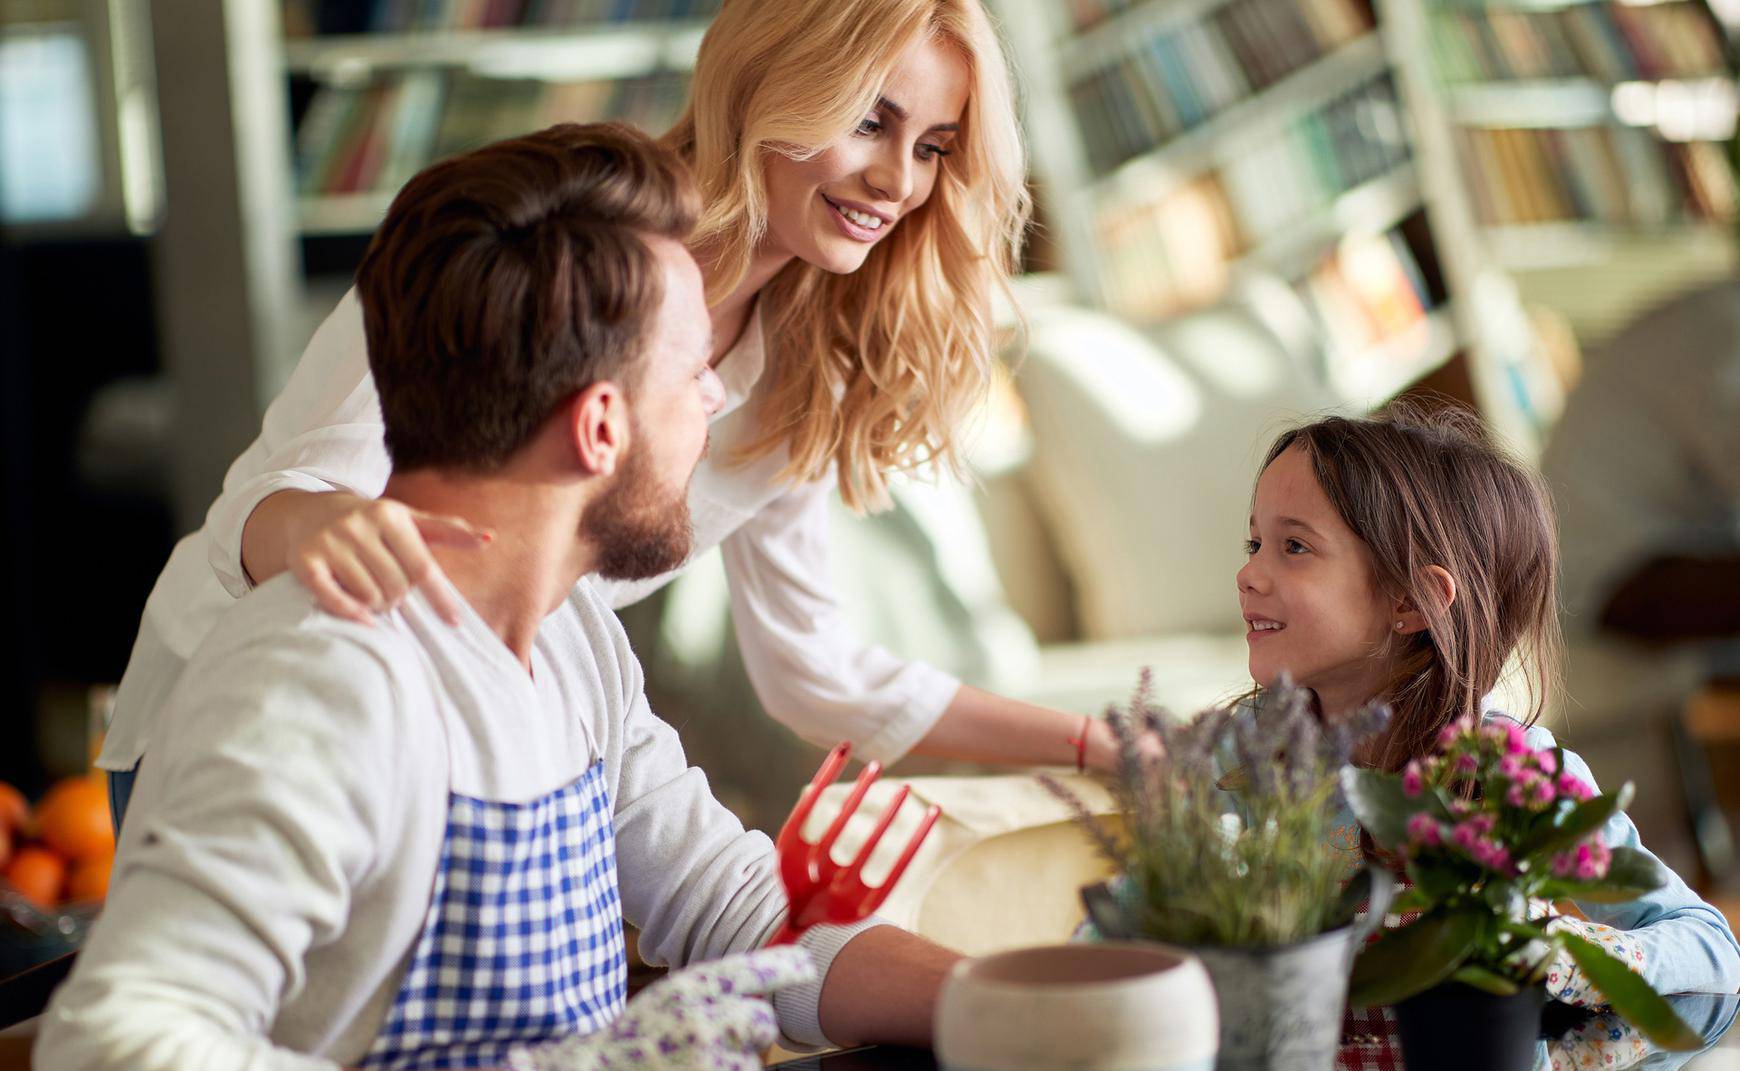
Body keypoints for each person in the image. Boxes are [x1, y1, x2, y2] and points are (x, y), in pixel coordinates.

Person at [37, 123, 959, 1071]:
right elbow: (108, 1041)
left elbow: (750, 918)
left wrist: (1006, 1002)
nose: (715, 403)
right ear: (600, 427)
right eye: (693, 374)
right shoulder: (325, 678)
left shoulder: (575, 643)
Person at [100, 0, 1118, 828]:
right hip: (235, 734)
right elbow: (283, 501)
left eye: (935, 147)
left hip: (469, 760)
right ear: (773, 86)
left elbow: (816, 672)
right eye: (870, 123)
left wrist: (1094, 744)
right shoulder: (542, 225)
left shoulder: (802, 357)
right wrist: (325, 524)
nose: (900, 182)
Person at [1233, 408, 1740, 1062]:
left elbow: (1714, 956)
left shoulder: (1513, 775)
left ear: (1412, 601)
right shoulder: (1243, 757)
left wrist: (1560, 957)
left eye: (1294, 546)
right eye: (1254, 544)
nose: (1250, 573)